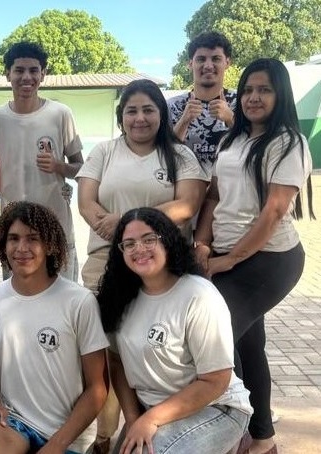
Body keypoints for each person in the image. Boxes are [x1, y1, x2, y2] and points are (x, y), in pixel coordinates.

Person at [76, 78, 208, 453]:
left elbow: (187, 204)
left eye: (148, 109)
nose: (140, 118)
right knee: (108, 350)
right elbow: (86, 202)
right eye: (131, 110)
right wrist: (118, 231)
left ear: (162, 115)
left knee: (156, 345)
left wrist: (129, 224)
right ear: (121, 116)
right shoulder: (104, 152)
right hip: (106, 259)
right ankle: (106, 435)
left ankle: (159, 419)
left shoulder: (180, 155)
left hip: (164, 263)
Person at [194, 58, 314, 454]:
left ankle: (230, 435)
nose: (253, 97)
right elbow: (213, 196)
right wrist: (203, 243)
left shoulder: (288, 143)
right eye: (247, 90)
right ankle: (262, 438)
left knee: (216, 340)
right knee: (247, 346)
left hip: (270, 260)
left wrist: (229, 260)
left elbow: (274, 211)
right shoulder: (232, 140)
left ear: (281, 96)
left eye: (264, 90)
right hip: (227, 254)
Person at [98, 207, 252, 454]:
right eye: (129, 244)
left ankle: (234, 442)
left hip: (216, 407)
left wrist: (151, 419)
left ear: (167, 241)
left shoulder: (198, 295)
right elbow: (116, 363)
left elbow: (215, 381)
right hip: (155, 411)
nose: (139, 249)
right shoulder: (120, 298)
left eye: (149, 239)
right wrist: (134, 418)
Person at [0, 201, 109, 454]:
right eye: (13, 238)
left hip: (66, 435)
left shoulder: (79, 301)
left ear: (49, 245)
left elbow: (98, 388)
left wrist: (56, 445)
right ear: (3, 244)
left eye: (32, 238)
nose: (21, 248)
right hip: (12, 423)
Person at [0, 41, 84, 281]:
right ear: (8, 74)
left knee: (61, 294)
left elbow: (81, 169)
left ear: (43, 74)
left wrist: (59, 166)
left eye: (34, 70)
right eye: (19, 70)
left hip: (55, 225)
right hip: (15, 230)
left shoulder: (60, 114)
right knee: (20, 295)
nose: (27, 77)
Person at [167, 31, 236, 172]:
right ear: (190, 64)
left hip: (230, 183)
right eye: (201, 59)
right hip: (185, 183)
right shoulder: (172, 106)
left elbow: (255, 145)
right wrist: (184, 121)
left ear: (227, 63)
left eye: (216, 59)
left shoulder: (242, 102)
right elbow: (163, 153)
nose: (208, 65)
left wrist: (231, 119)